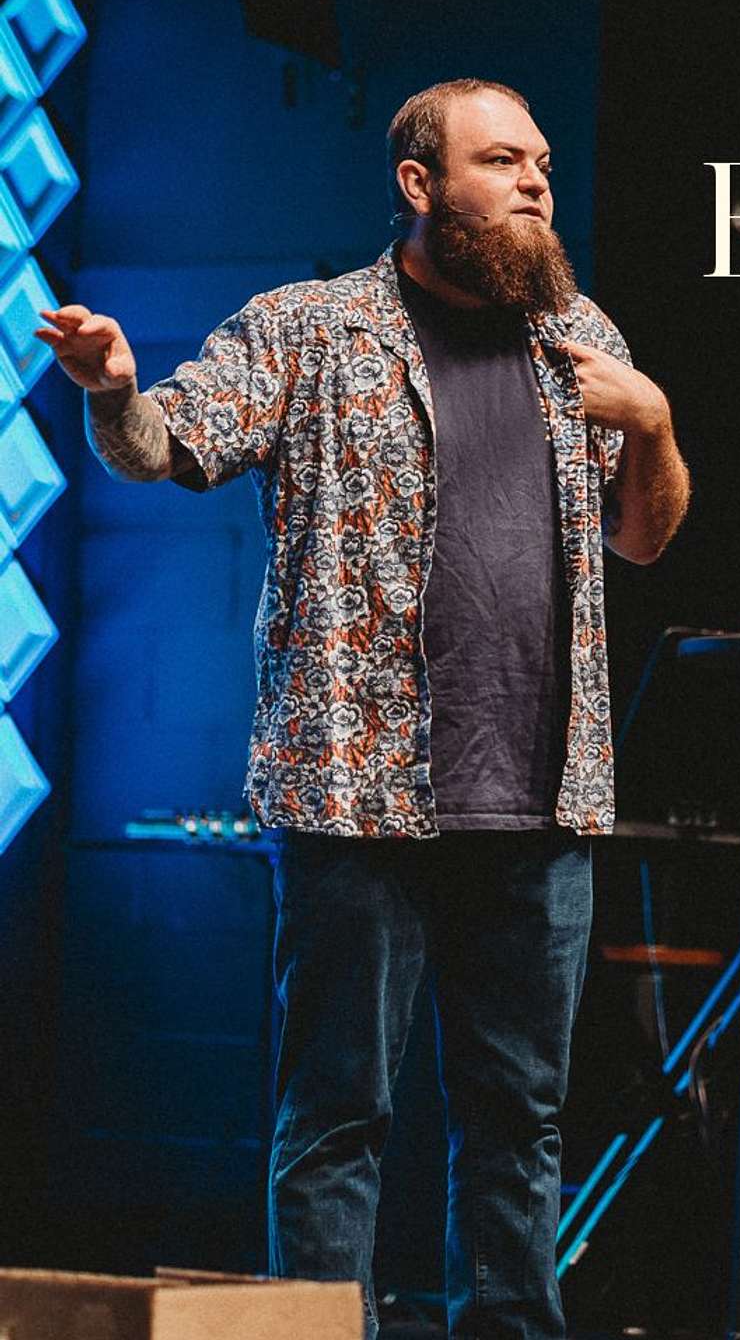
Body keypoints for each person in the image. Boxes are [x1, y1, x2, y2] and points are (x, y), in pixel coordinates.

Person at [38, 77, 690, 1340]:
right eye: (502, 161)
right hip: (356, 797)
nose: (535, 182)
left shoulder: (582, 339)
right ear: (419, 183)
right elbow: (171, 444)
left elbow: (645, 538)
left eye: (542, 163)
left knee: (518, 1121)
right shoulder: (312, 328)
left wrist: (653, 419)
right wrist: (114, 387)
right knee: (337, 1115)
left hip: (539, 798)